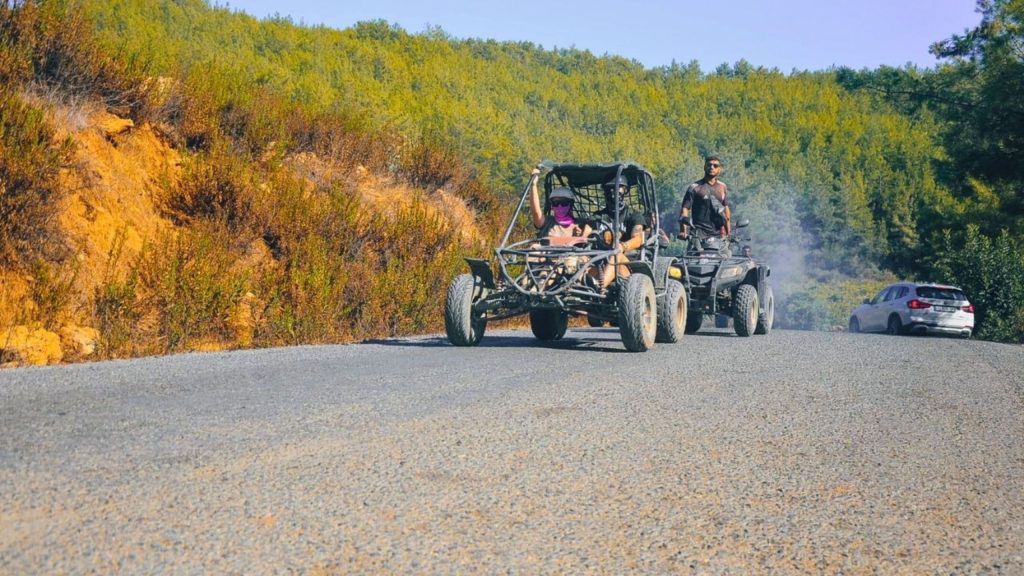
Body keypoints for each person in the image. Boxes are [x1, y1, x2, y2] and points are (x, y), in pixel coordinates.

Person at [593, 174, 647, 290]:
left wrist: (622, 246)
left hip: (629, 266)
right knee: (580, 259)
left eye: (618, 188)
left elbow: (638, 238)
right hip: (600, 261)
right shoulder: (599, 216)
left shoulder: (633, 215)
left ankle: (600, 288)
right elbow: (586, 234)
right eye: (609, 188)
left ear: (625, 190)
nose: (613, 191)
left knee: (616, 254)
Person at [678, 155, 731, 241]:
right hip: (697, 234)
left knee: (726, 254)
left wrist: (728, 234)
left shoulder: (722, 187)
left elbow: (725, 210)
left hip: (718, 235)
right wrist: (683, 231)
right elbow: (685, 209)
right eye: (709, 165)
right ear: (704, 167)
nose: (711, 167)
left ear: (719, 169)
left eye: (715, 166)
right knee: (692, 254)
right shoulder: (694, 187)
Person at [529, 168, 590, 239]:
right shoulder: (547, 222)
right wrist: (533, 185)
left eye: (564, 203)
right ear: (552, 205)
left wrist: (584, 235)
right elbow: (536, 212)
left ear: (571, 204)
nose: (559, 206)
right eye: (555, 203)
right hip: (547, 250)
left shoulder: (580, 224)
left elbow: (593, 229)